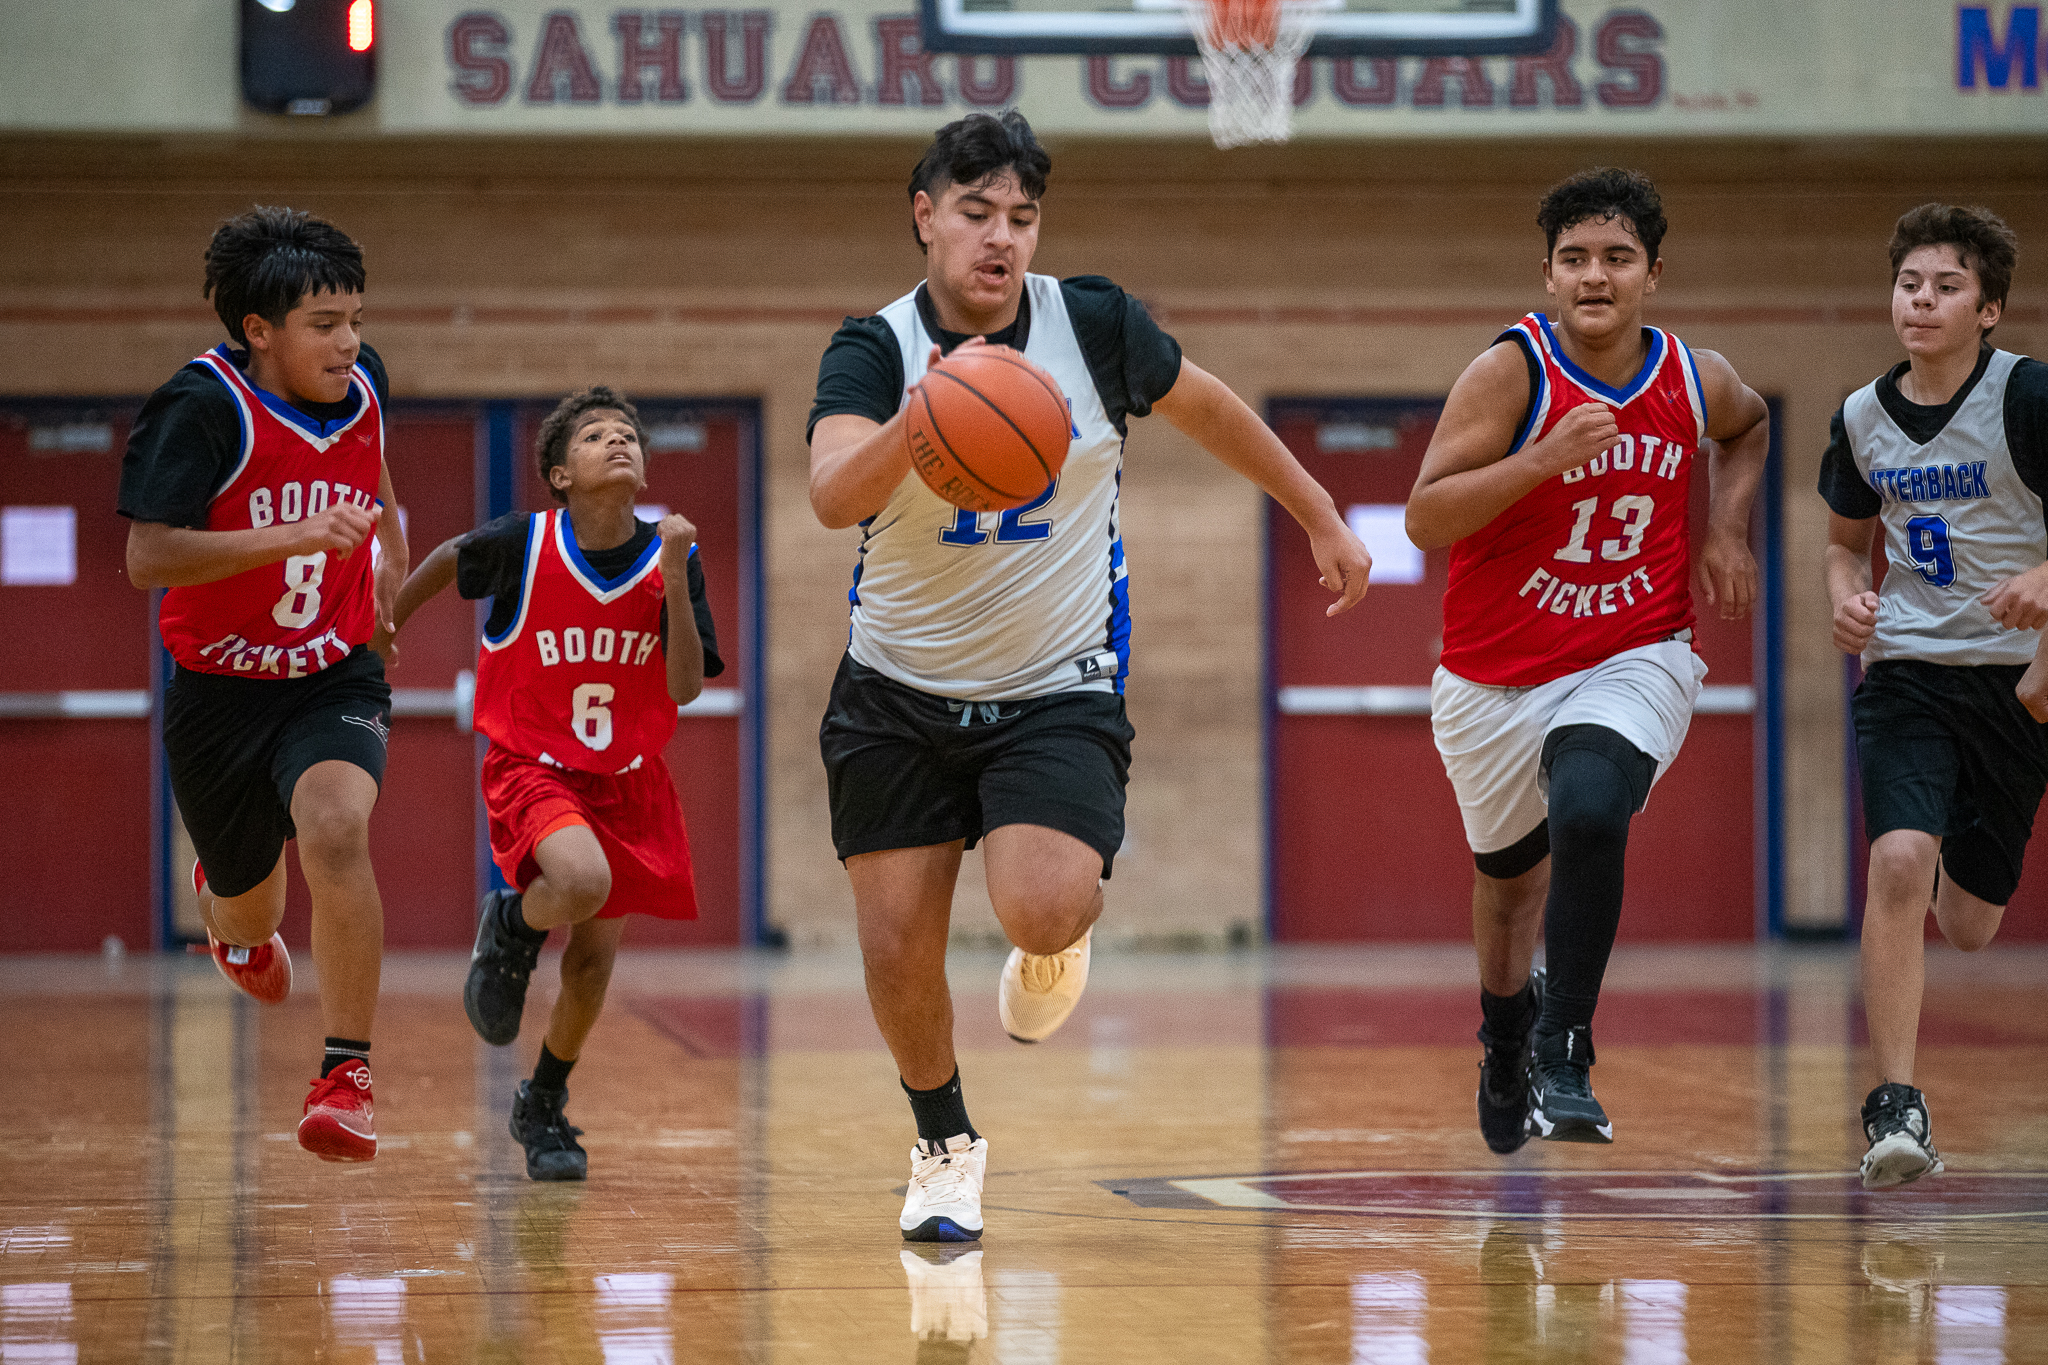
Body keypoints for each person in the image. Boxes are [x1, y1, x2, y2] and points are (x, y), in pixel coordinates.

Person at [807, 110, 1373, 1242]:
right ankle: (943, 1143)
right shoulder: (872, 347)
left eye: (1019, 217)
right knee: (895, 953)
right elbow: (831, 496)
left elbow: (1209, 408)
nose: (999, 238)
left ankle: (1051, 944)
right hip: (895, 688)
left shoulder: (1093, 324)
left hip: (1054, 685)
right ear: (924, 217)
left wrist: (1318, 512)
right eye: (975, 215)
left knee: (1045, 900)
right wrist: (922, 420)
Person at [1406, 168, 1770, 1153]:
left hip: (1631, 649)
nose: (1593, 276)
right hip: (1490, 677)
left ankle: (1564, 1048)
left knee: (1590, 807)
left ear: (1652, 273)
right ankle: (1503, 1035)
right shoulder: (1511, 373)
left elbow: (1747, 430)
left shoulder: (1695, 378)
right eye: (1573, 259)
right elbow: (1423, 514)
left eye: (1615, 258)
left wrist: (1726, 532)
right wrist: (1539, 459)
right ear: (1548, 275)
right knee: (1508, 888)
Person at [119, 206, 406, 1163]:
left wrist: (388, 593)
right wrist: (289, 535)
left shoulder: (365, 386)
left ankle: (347, 1076)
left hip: (330, 672)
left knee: (335, 824)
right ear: (259, 331)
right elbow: (146, 556)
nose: (348, 341)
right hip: (217, 690)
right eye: (324, 325)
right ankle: (228, 907)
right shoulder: (199, 408)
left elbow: (381, 489)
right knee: (254, 911)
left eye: (354, 318)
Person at [387, 386, 721, 1181]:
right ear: (559, 474)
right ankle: (510, 922)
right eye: (597, 436)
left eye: (630, 436)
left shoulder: (676, 558)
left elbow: (683, 688)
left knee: (592, 967)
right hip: (535, 765)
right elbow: (444, 560)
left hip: (629, 781)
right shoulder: (525, 543)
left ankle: (542, 1101)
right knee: (578, 878)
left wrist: (674, 577)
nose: (619, 443)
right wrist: (383, 630)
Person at [1821, 203, 2048, 1190]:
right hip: (1907, 673)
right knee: (1897, 859)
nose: (1919, 301)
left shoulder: (2027, 398)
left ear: (1986, 308)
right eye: (1908, 283)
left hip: (2015, 683)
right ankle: (1894, 1104)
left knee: (1968, 925)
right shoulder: (1860, 415)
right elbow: (1838, 544)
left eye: (1944, 285)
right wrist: (1845, 601)